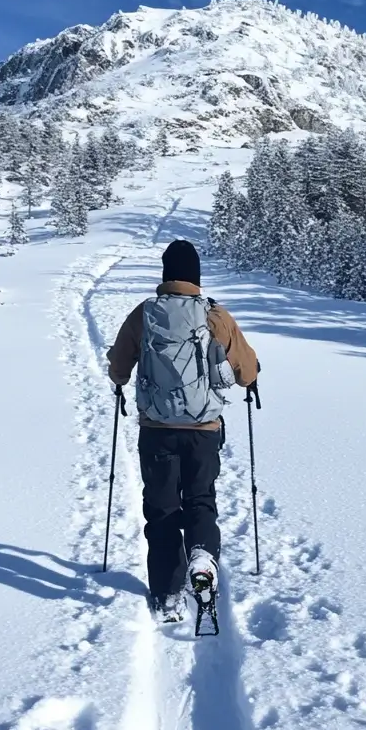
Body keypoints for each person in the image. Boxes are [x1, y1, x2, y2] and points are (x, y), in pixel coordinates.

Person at [107, 239, 260, 623]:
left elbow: (118, 365)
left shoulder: (144, 314)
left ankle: (167, 594)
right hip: (203, 430)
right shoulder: (215, 316)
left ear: (164, 275)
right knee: (200, 501)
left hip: (156, 430)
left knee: (161, 511)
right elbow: (247, 370)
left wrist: (122, 378)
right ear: (196, 276)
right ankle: (203, 556)